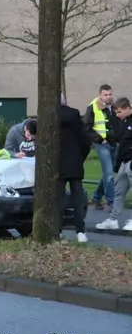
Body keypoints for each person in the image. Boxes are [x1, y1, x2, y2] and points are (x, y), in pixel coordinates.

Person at [96, 97, 132, 231]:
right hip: (124, 161)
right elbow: (119, 137)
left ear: (128, 108)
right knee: (119, 191)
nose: (118, 115)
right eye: (116, 112)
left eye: (120, 112)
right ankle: (113, 219)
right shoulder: (122, 121)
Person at [59, 94, 92, 242]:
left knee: (57, 198)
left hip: (56, 163)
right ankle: (80, 232)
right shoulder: (75, 116)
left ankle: (57, 230)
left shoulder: (48, 117)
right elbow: (85, 140)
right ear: (65, 101)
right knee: (77, 198)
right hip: (74, 161)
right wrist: (80, 157)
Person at [83, 84, 118, 210]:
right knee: (109, 174)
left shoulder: (115, 106)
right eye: (105, 95)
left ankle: (97, 197)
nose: (108, 97)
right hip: (102, 144)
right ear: (100, 95)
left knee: (109, 173)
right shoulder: (93, 107)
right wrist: (98, 139)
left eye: (110, 94)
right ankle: (111, 202)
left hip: (114, 143)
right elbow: (86, 127)